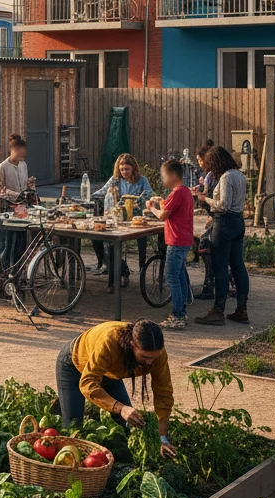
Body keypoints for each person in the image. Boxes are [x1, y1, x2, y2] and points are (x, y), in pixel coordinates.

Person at [55, 319, 178, 457]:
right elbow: (88, 383)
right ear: (132, 345)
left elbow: (164, 393)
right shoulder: (109, 342)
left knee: (130, 424)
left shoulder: (158, 355)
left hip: (110, 373)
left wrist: (161, 437)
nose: (149, 362)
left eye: (153, 358)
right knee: (73, 428)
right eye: (145, 357)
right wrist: (121, 408)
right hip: (74, 364)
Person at [194, 146, 249, 326]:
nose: (209, 167)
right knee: (238, 266)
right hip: (238, 222)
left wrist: (205, 199)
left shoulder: (226, 177)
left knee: (220, 268)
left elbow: (223, 205)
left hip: (224, 222)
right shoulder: (240, 175)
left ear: (217, 162)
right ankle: (241, 309)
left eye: (211, 164)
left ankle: (218, 311)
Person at [92, 153, 154, 288]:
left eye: (127, 169)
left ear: (133, 168)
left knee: (142, 241)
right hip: (117, 220)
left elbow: (150, 194)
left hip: (136, 221)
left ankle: (141, 274)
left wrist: (139, 200)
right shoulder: (115, 180)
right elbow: (101, 193)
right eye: (122, 169)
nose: (124, 172)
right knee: (100, 241)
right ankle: (119, 271)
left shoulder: (142, 180)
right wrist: (90, 198)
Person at [146, 159, 195, 330]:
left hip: (176, 241)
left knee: (172, 277)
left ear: (173, 176)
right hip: (184, 240)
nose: (162, 179)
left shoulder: (177, 192)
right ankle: (182, 310)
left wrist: (151, 208)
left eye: (163, 176)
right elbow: (170, 209)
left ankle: (177, 315)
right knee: (179, 276)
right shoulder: (185, 191)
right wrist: (161, 202)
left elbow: (163, 216)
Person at [0, 134, 33, 269]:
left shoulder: (24, 165)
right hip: (8, 209)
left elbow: (24, 185)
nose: (24, 153)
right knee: (9, 242)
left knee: (21, 241)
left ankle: (18, 270)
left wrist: (29, 185)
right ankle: (6, 269)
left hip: (22, 208)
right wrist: (17, 194)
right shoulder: (2, 167)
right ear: (14, 150)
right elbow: (0, 191)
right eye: (21, 151)